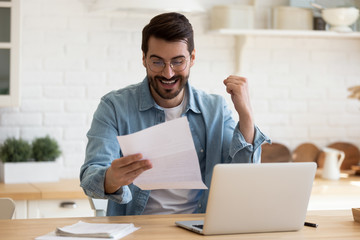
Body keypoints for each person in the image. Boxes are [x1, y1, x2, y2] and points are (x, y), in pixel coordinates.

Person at [80, 12, 270, 216]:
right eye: (157, 62)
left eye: (178, 62)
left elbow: (242, 178)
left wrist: (246, 116)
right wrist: (111, 179)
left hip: (198, 229)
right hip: (135, 230)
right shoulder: (114, 107)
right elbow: (89, 178)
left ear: (192, 58)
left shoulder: (215, 109)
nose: (168, 73)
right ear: (144, 59)